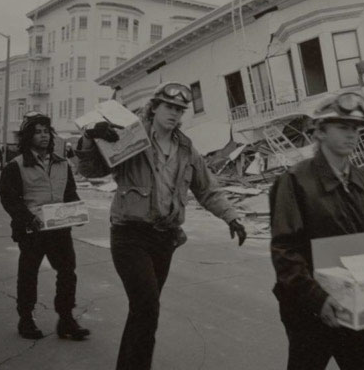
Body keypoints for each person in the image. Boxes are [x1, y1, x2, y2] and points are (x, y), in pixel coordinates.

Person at [75, 81, 247, 370]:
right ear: (154, 107)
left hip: (165, 239)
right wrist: (91, 140)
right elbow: (92, 170)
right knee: (147, 307)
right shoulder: (131, 136)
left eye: (180, 109)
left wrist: (231, 216)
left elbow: (206, 189)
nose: (174, 114)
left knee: (142, 310)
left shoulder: (185, 148)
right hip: (129, 235)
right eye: (169, 106)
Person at [270, 92, 364, 370]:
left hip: (356, 300)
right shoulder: (294, 181)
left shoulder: (360, 178)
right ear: (320, 132)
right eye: (343, 127)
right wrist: (317, 299)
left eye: (355, 128)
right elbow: (285, 250)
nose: (352, 135)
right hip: (310, 309)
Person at [0, 112, 90, 340]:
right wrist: (28, 219)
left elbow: (69, 192)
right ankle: (26, 319)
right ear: (28, 136)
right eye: (38, 132)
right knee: (28, 274)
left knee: (68, 272)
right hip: (32, 231)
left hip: (59, 229)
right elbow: (9, 199)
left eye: (46, 131)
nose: (44, 136)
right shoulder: (16, 166)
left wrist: (76, 211)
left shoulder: (61, 163)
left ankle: (66, 319)